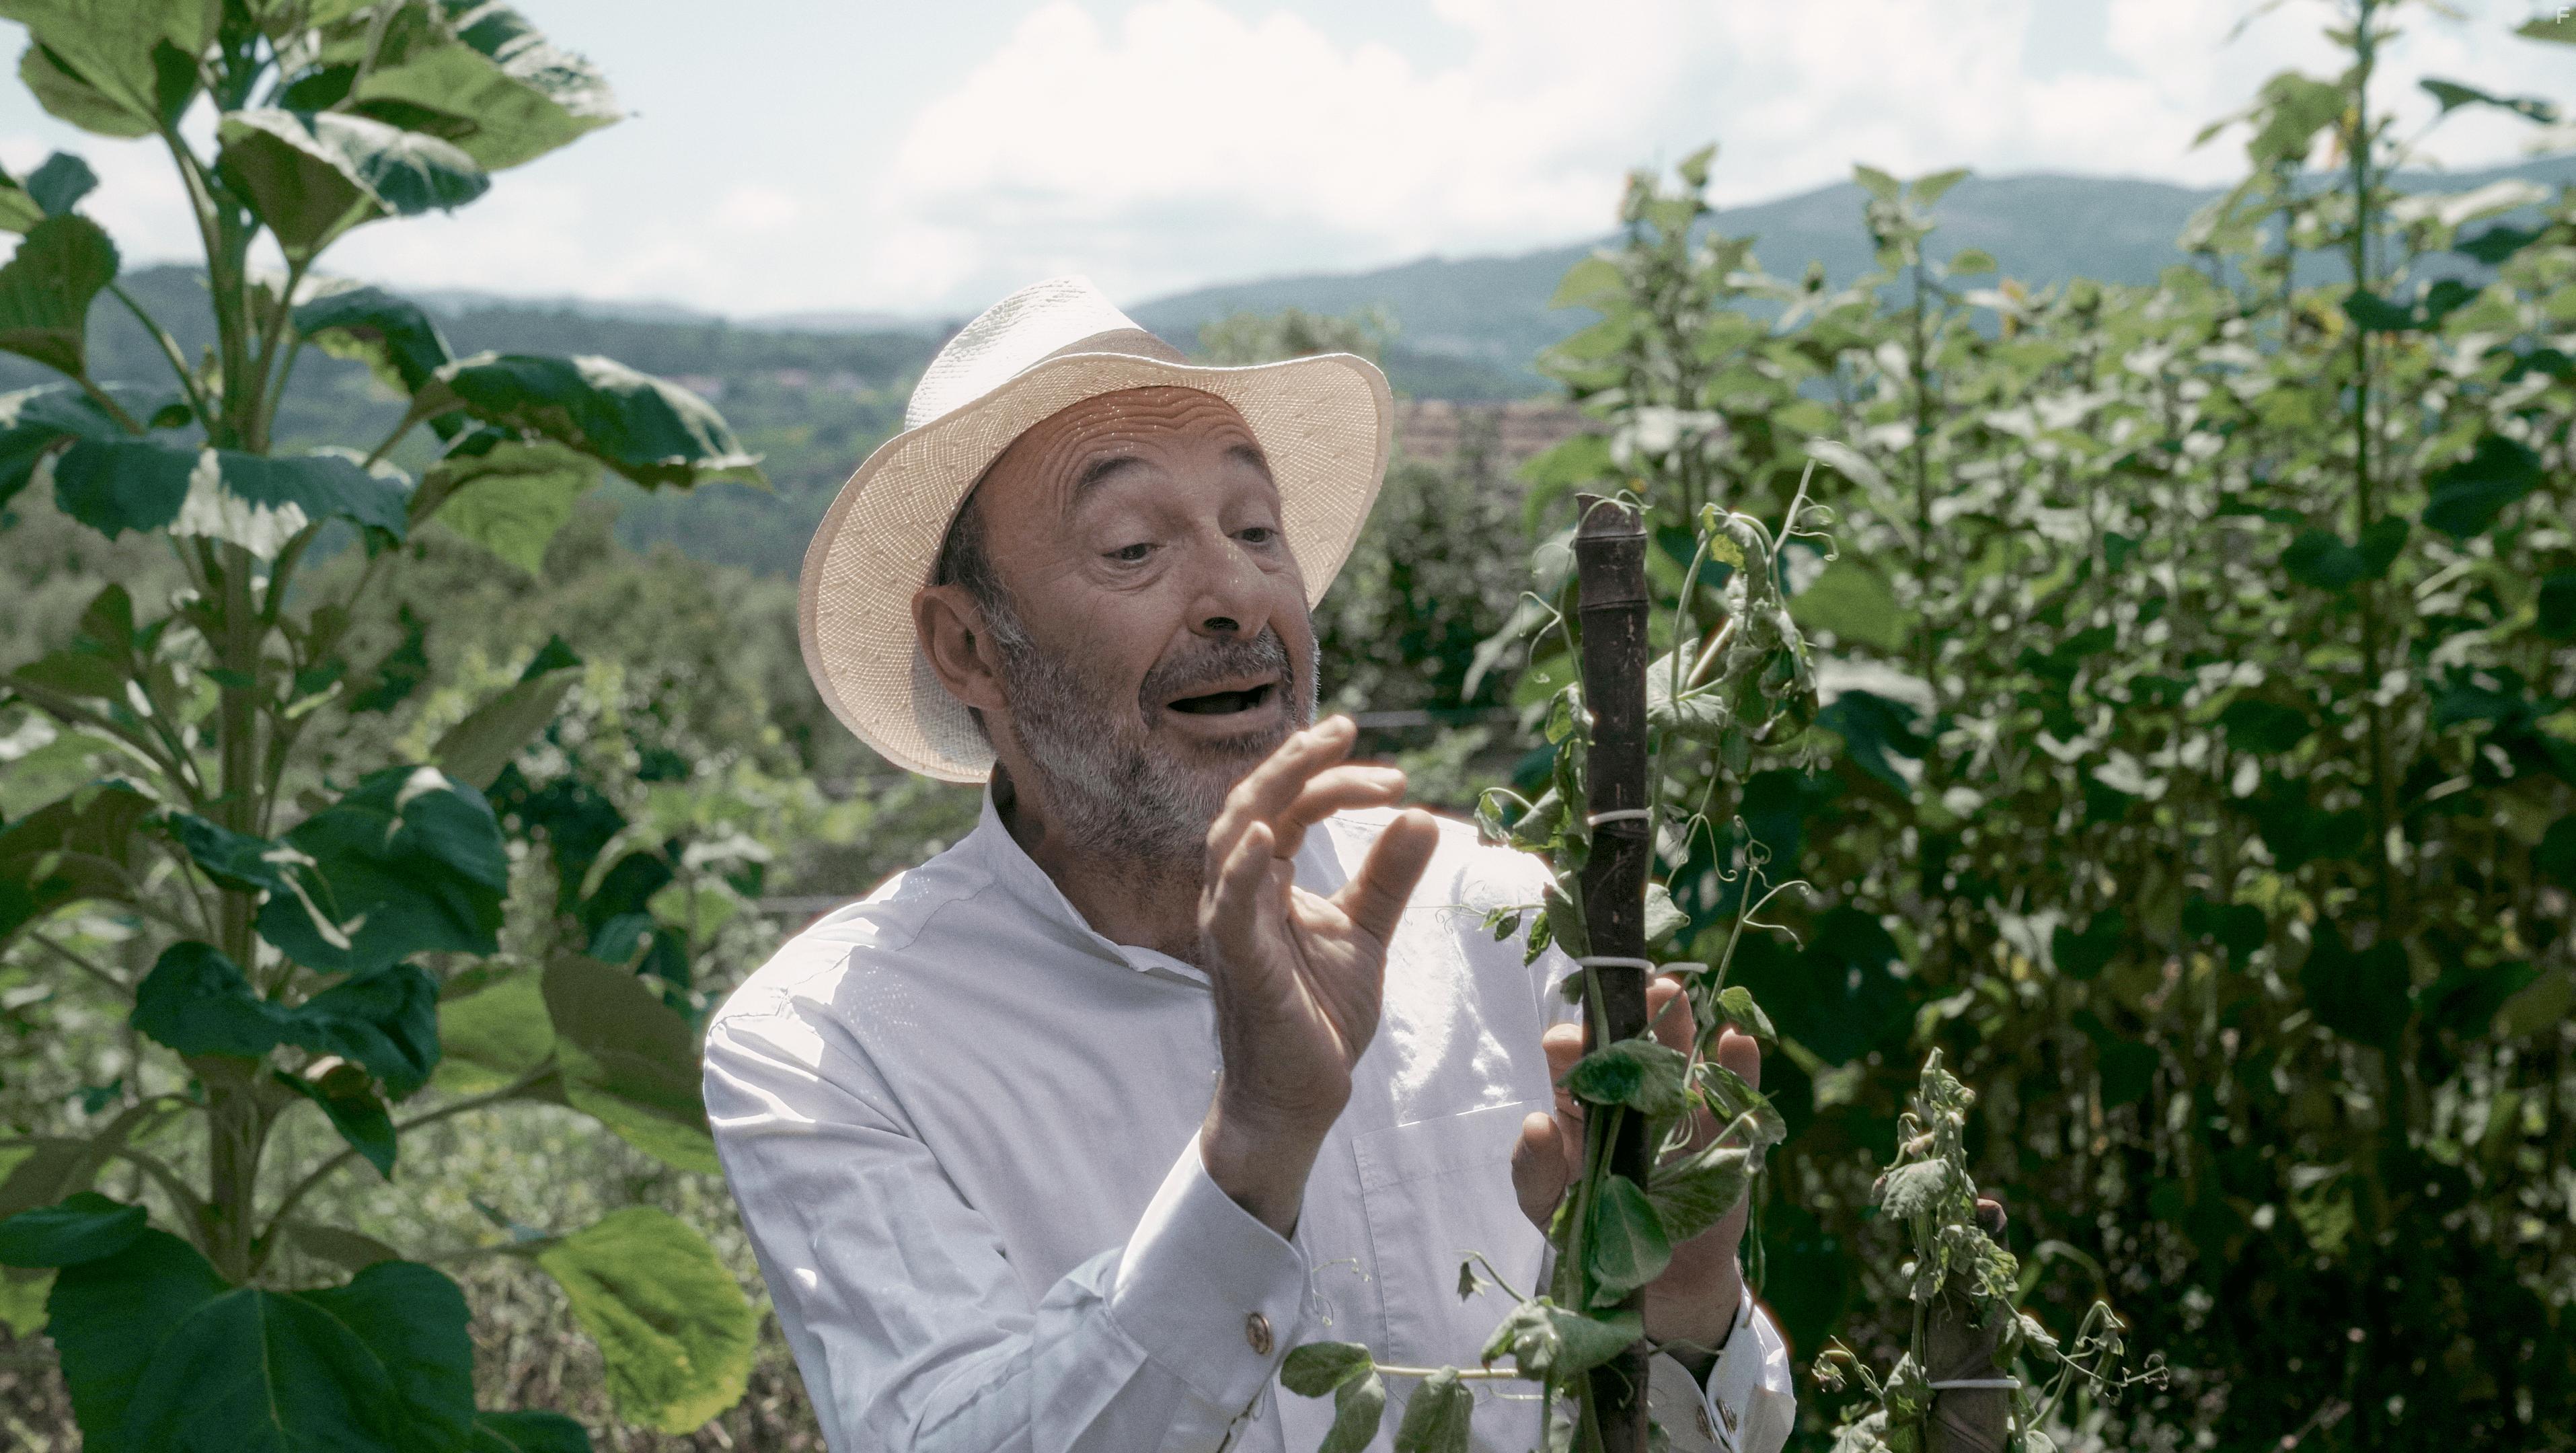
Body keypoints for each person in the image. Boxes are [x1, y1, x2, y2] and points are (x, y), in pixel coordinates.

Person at [704, 276, 1798, 1452]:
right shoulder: (836, 1042)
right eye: (1132, 546)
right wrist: (1254, 1146)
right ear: (969, 645)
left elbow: (1687, 1425)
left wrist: (1683, 1307)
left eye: (1257, 529)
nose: (1236, 593)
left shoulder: (1492, 916)